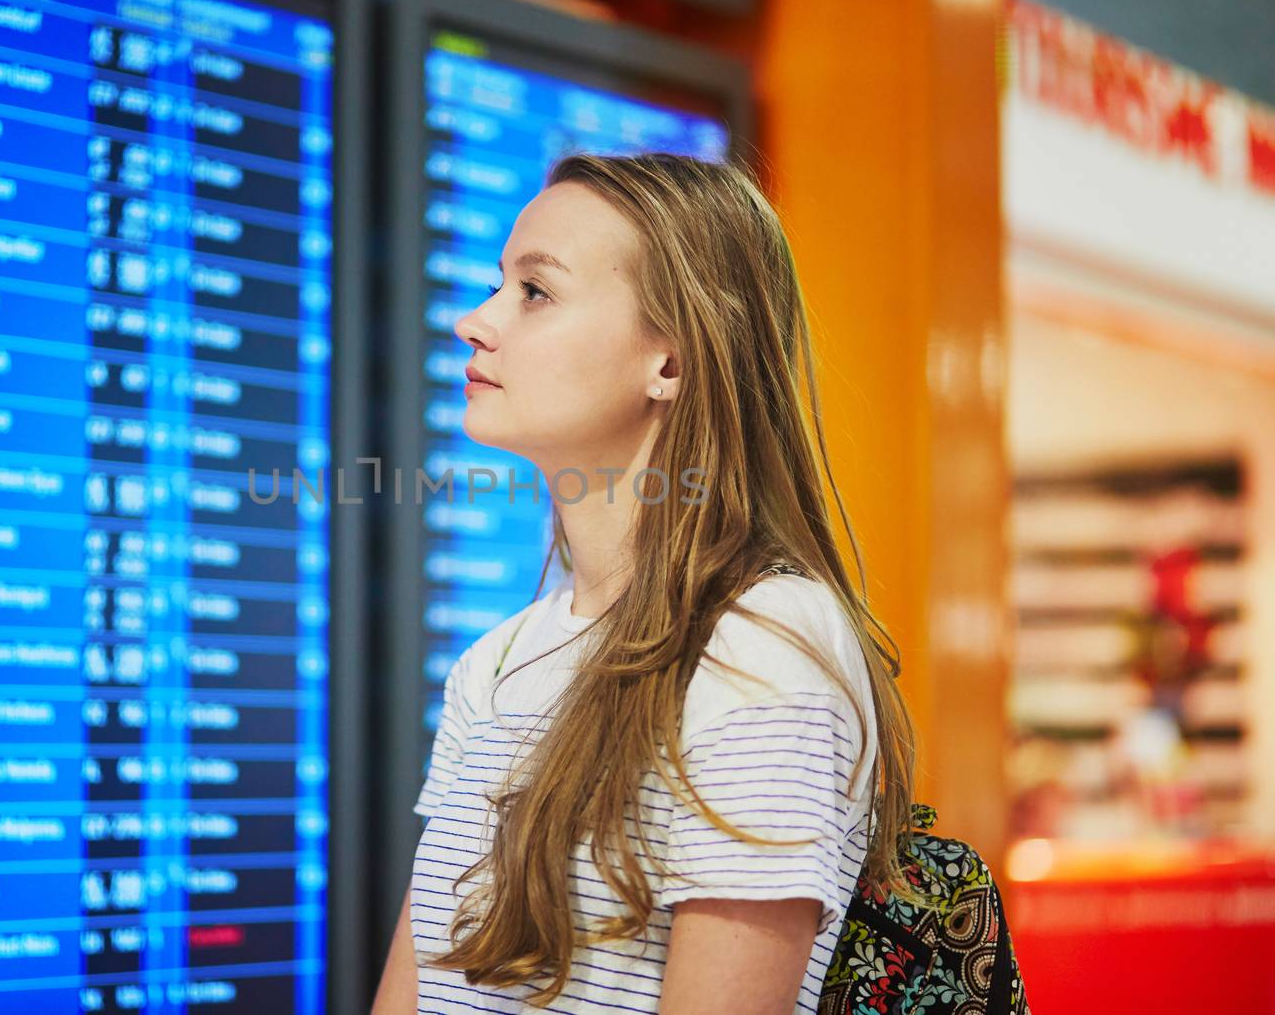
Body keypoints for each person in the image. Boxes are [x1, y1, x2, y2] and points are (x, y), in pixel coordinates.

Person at [371, 152, 920, 1014]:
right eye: (496, 285)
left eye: (535, 292)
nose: (473, 322)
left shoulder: (764, 650)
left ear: (669, 360)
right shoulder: (496, 664)